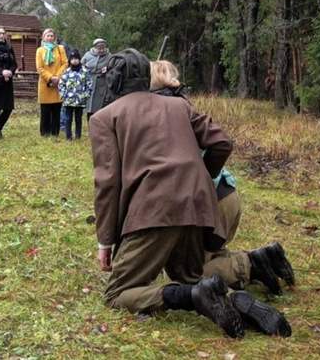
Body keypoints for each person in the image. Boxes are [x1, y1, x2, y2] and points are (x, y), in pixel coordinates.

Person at [90, 48, 290, 338]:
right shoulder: (178, 105)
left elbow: (107, 184)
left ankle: (188, 298)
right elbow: (222, 141)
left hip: (153, 210)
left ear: (112, 81)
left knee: (117, 293)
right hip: (198, 204)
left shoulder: (104, 118)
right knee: (193, 275)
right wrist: (201, 177)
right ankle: (235, 294)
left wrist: (105, 242)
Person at [151, 60, 296, 301]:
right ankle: (264, 258)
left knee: (187, 277)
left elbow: (221, 144)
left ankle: (250, 265)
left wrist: (203, 179)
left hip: (211, 203)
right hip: (225, 194)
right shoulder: (183, 104)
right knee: (206, 258)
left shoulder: (164, 112)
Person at [36, 28, 68, 137]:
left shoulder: (60, 48)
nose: (50, 37)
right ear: (43, 37)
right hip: (45, 83)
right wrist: (50, 77)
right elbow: (39, 68)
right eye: (47, 35)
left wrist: (57, 77)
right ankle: (45, 133)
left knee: (56, 110)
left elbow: (65, 64)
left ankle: (55, 133)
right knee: (45, 110)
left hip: (58, 83)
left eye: (51, 36)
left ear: (54, 37)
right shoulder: (40, 50)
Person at [57, 50, 91, 140]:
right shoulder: (66, 72)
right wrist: (63, 95)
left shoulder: (84, 71)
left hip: (80, 100)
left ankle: (78, 136)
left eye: (76, 59)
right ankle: (68, 136)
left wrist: (86, 95)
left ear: (79, 59)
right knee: (68, 119)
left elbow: (89, 84)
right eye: (72, 59)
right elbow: (61, 84)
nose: (74, 61)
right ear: (70, 60)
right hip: (68, 100)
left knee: (78, 119)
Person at [82, 38, 110, 121]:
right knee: (89, 104)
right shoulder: (88, 55)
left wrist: (107, 68)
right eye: (99, 48)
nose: (101, 50)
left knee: (100, 105)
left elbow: (112, 66)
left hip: (101, 81)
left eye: (103, 48)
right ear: (95, 47)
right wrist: (85, 70)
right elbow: (81, 65)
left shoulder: (109, 56)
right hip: (89, 80)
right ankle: (89, 120)